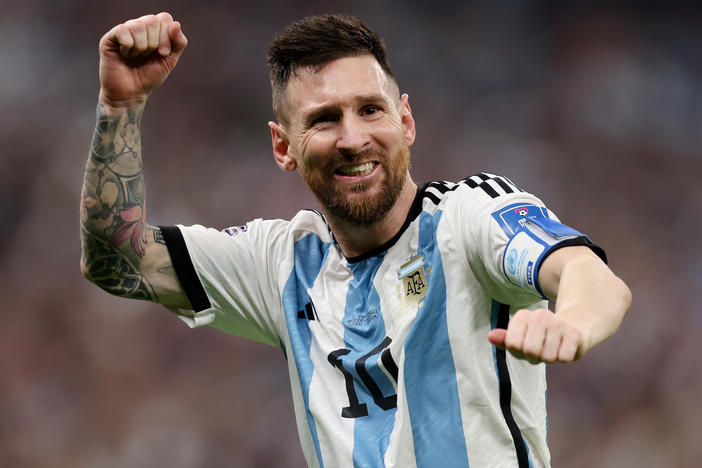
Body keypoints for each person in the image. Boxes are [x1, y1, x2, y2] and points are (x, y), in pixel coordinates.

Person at [80, 12, 631, 468]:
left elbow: (587, 273)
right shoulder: (282, 262)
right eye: (324, 119)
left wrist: (571, 322)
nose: (353, 138)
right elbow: (115, 258)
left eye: (370, 109)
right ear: (283, 146)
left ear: (406, 119)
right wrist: (121, 107)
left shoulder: (469, 215)